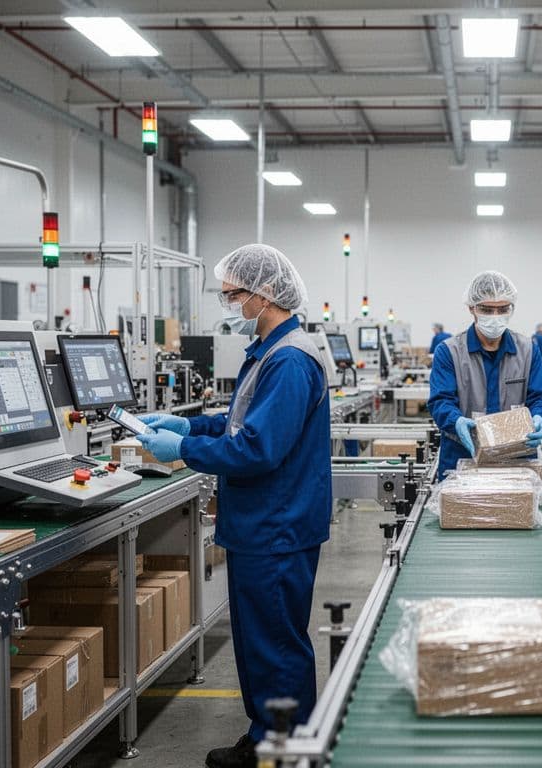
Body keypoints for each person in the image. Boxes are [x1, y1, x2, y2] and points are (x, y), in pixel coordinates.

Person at [136, 244, 331, 768]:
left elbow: (257, 448)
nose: (229, 305)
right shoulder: (269, 351)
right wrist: (191, 426)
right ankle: (266, 733)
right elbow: (241, 422)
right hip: (261, 525)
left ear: (264, 295)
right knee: (258, 642)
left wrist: (185, 452)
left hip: (277, 526)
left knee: (275, 646)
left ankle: (284, 750)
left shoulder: (289, 360)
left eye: (233, 295)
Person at [428, 271, 542, 480]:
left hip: (517, 463)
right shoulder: (450, 351)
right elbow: (441, 401)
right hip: (462, 460)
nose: (495, 317)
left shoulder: (528, 350)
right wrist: (456, 421)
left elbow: (541, 398)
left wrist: (539, 417)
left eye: (503, 309)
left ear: (511, 308)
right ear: (472, 308)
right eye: (487, 309)